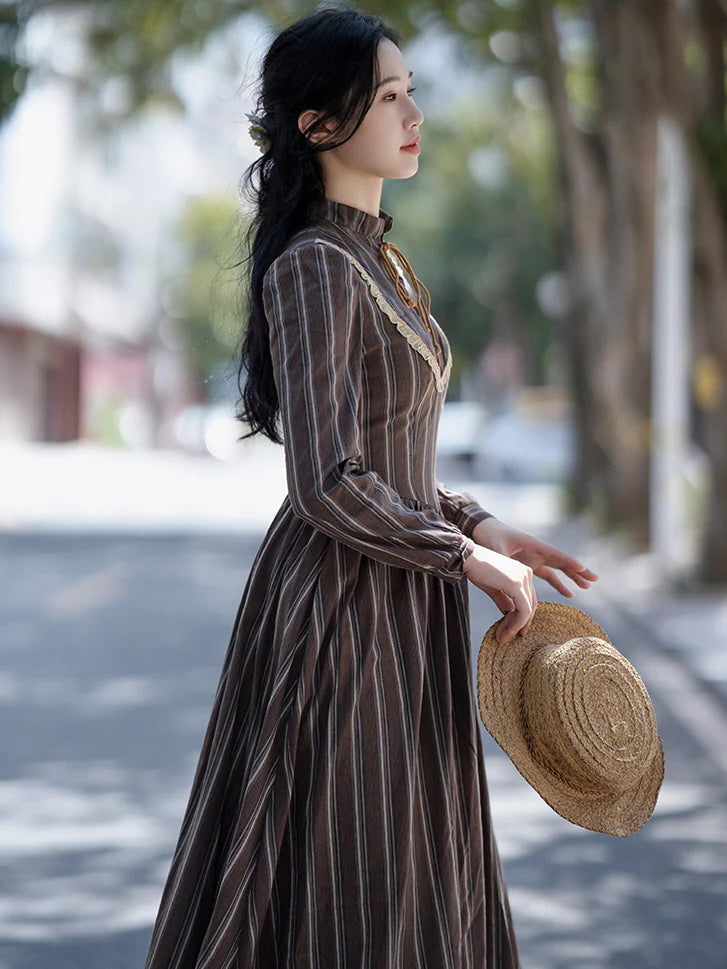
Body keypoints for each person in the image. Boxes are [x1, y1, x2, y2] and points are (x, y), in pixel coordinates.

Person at [143, 8, 598, 969]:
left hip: (404, 594)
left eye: (409, 92)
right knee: (359, 861)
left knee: (414, 852)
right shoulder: (316, 264)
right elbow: (326, 480)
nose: (413, 114)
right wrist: (459, 554)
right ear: (317, 125)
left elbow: (393, 455)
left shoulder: (377, 260)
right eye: (388, 96)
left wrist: (482, 524)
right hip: (345, 609)